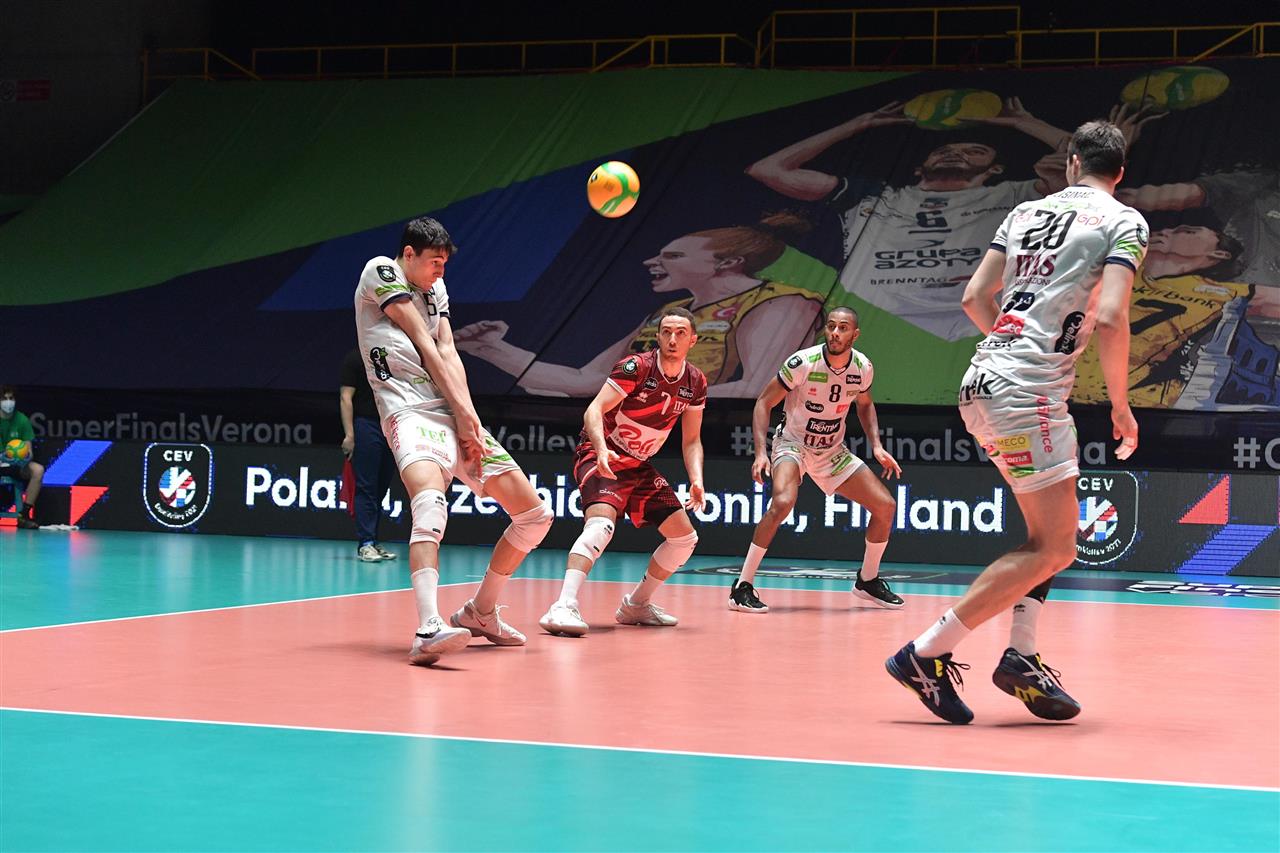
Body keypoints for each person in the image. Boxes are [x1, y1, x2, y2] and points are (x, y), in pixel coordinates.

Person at [886, 120, 1148, 724]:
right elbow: (1111, 318)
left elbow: (974, 298)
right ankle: (924, 654)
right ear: (1120, 172)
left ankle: (1021, 656)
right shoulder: (1124, 221)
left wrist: (1009, 351)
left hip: (985, 380)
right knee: (1054, 545)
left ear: (1073, 162)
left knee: (1049, 541)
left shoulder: (1025, 213)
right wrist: (1119, 404)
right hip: (1028, 393)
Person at [354, 217, 554, 665]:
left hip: (452, 411)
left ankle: (481, 611)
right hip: (408, 410)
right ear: (409, 255)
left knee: (535, 517)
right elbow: (423, 342)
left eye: (445, 263)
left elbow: (447, 350)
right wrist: (463, 419)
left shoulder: (436, 289)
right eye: (434, 262)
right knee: (430, 503)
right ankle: (428, 627)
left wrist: (470, 420)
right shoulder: (381, 270)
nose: (440, 271)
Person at [747, 98, 1073, 341]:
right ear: (919, 168)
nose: (955, 153)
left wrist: (1024, 123)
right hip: (879, 319)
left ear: (995, 168)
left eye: (974, 150)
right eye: (943, 150)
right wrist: (858, 124)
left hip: (979, 324)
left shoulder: (1016, 193)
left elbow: (1089, 166)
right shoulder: (872, 195)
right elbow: (768, 170)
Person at [455, 214, 824, 398]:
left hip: (724, 444)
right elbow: (588, 381)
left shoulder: (783, 303)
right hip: (648, 435)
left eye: (673, 255)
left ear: (727, 262)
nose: (651, 261)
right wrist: (491, 349)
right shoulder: (668, 313)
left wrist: (651, 398)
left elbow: (758, 389)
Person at [538, 307, 707, 637]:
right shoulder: (637, 367)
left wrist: (696, 479)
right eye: (667, 332)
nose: (673, 339)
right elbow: (594, 410)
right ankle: (563, 605)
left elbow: (691, 440)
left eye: (681, 333)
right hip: (603, 455)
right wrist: (601, 449)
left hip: (639, 465)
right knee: (601, 526)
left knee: (684, 539)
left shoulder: (695, 381)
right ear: (658, 337)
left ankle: (636, 605)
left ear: (693, 340)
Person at [728, 307, 904, 613]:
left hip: (832, 451)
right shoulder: (803, 362)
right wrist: (760, 452)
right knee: (783, 502)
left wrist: (876, 446)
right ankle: (742, 586)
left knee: (886, 506)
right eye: (831, 326)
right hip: (793, 444)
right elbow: (763, 403)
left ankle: (867, 580)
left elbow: (864, 405)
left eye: (843, 328)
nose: (835, 333)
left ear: (855, 334)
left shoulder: (862, 367)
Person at [1072, 224, 1250, 408]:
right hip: (1062, 389)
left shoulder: (1228, 292)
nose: (1163, 231)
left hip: (1139, 404)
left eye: (1188, 231)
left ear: (1219, 253)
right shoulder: (1106, 268)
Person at [1118, 169, 1280, 286]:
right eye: (1188, 231)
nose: (1165, 232)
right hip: (1231, 295)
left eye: (1188, 231)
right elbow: (1181, 194)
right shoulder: (1257, 187)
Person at [340, 346, 400, 562]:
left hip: (391, 425)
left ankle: (373, 541)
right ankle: (365, 543)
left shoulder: (395, 357)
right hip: (366, 426)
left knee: (381, 488)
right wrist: (350, 435)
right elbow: (345, 398)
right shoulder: (355, 358)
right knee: (367, 487)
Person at [0, 385, 42, 529]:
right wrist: (3, 457)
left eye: (11, 398)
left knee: (38, 470)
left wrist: (25, 458)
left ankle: (23, 515)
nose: (8, 402)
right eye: (4, 399)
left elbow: (29, 451)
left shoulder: (22, 420)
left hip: (17, 465)